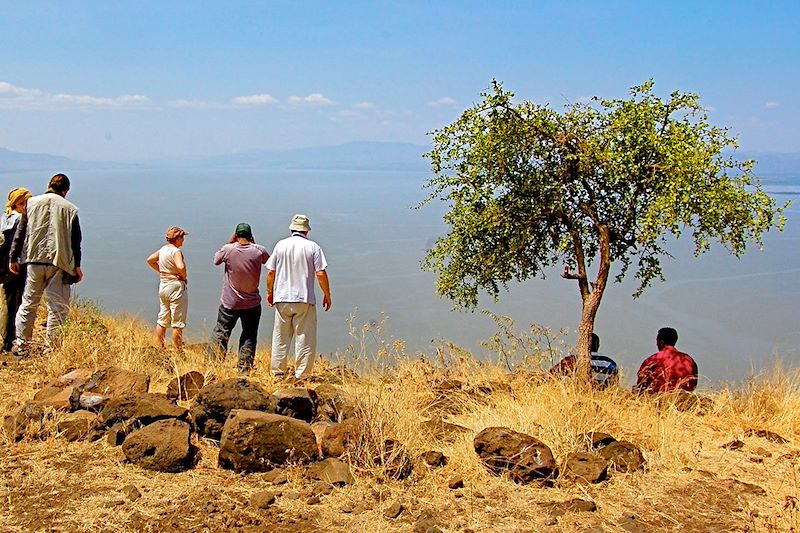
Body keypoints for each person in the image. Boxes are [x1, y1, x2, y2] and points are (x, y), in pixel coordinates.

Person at [9, 174, 82, 356]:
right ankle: (51, 349)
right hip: (59, 262)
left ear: (49, 185)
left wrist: (13, 257)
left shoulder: (31, 203)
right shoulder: (70, 209)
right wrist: (77, 266)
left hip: (34, 260)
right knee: (57, 308)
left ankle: (22, 345)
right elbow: (75, 241)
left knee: (28, 303)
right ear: (66, 191)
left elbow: (21, 232)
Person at [266, 214, 331, 380]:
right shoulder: (313, 247)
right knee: (305, 338)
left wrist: (270, 293)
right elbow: (320, 273)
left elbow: (271, 272)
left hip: (282, 297)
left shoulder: (280, 245)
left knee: (280, 337)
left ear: (291, 229)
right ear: (306, 231)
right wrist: (327, 294)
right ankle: (302, 375)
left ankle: (278, 373)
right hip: (304, 298)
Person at [207, 223, 269, 374]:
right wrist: (253, 244)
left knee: (221, 332)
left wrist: (230, 242)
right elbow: (267, 261)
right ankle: (244, 369)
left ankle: (213, 366)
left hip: (230, 302)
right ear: (251, 236)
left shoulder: (228, 249)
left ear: (236, 235)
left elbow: (216, 260)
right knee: (249, 335)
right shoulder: (259, 250)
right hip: (252, 303)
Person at [0, 188, 32, 352]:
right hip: (17, 266)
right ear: (21, 203)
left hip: (4, 268)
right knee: (19, 303)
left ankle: (6, 340)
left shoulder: (4, 218)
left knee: (7, 302)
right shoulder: (20, 219)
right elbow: (20, 244)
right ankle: (12, 340)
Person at [146, 227, 188, 350]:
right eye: (182, 237)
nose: (183, 240)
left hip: (163, 285)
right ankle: (178, 350)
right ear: (177, 239)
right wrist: (183, 276)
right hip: (175, 287)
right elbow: (180, 266)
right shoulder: (176, 251)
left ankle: (160, 347)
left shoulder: (163, 249)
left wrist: (162, 271)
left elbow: (150, 260)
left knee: (163, 319)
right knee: (178, 322)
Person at [634, 327, 698, 393]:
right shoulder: (689, 360)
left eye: (657, 341)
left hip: (658, 397)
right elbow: (694, 384)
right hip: (683, 398)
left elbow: (640, 383)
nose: (656, 344)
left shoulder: (654, 359)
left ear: (661, 342)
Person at [549, 333, 619, 388]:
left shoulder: (573, 359)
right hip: (601, 399)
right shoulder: (610, 363)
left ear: (581, 344)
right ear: (598, 346)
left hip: (577, 397)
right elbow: (613, 385)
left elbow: (551, 375)